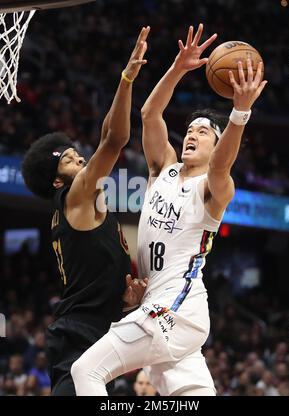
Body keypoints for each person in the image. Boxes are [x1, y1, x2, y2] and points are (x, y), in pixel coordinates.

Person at [71, 23, 267, 396]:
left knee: (86, 372)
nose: (192, 134)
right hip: (162, 308)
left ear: (217, 143)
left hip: (175, 310)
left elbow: (222, 165)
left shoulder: (212, 188)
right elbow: (149, 114)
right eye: (190, 130)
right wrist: (178, 68)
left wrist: (240, 113)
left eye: (204, 132)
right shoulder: (164, 168)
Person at [21, 26, 150, 396]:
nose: (75, 153)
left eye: (71, 147)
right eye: (63, 157)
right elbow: (116, 139)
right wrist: (127, 78)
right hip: (79, 336)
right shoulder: (76, 196)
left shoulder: (82, 202)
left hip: (96, 330)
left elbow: (108, 128)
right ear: (56, 181)